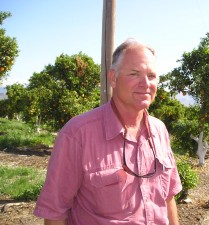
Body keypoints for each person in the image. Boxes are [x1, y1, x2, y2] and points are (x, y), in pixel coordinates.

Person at [34, 38, 182, 225]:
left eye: (151, 76)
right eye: (134, 74)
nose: (145, 84)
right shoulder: (78, 133)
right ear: (113, 78)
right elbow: (55, 213)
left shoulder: (159, 130)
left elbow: (168, 198)